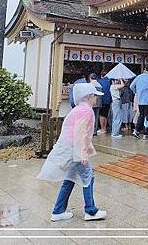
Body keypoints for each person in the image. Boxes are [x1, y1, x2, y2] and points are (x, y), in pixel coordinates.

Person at [38, 82, 107, 222]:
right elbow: (80, 133)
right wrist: (82, 154)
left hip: (69, 149)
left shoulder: (77, 109)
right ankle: (91, 211)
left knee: (69, 180)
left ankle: (58, 211)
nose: (95, 98)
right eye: (94, 96)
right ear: (88, 97)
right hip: (75, 150)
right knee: (88, 178)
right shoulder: (86, 111)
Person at [130, 63, 148, 139]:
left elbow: (131, 86)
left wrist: (136, 91)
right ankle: (145, 134)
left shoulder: (138, 77)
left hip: (140, 100)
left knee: (141, 115)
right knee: (147, 116)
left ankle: (136, 130)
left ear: (144, 69)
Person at [92, 64, 111, 135]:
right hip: (108, 100)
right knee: (105, 115)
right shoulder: (109, 81)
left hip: (102, 100)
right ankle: (105, 128)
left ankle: (102, 128)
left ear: (101, 75)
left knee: (101, 115)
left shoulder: (99, 81)